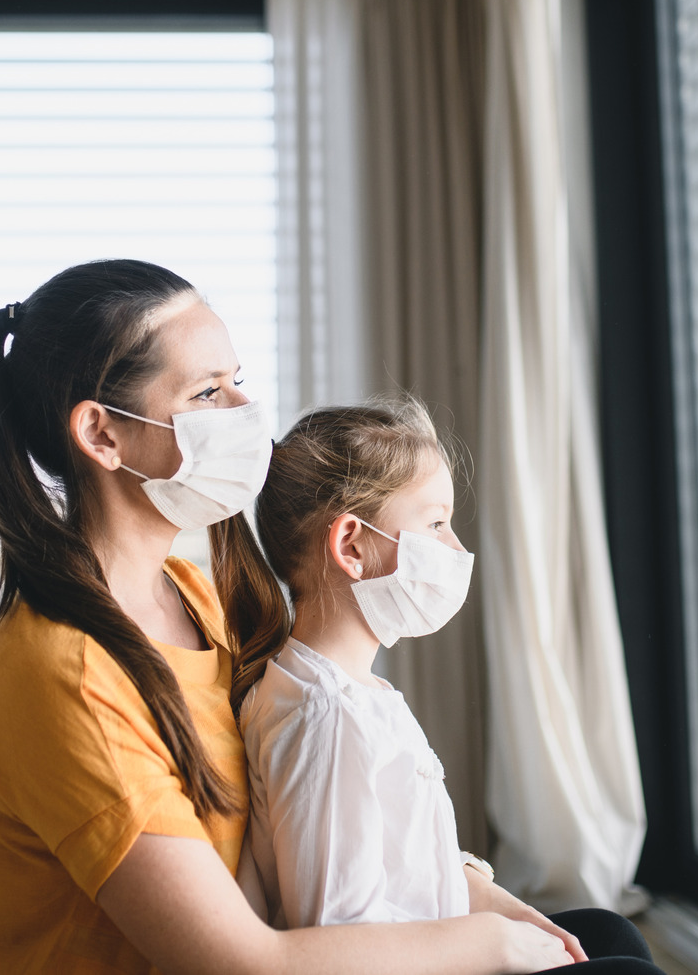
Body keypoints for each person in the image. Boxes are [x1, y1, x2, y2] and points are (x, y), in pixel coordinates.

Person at [0, 259, 575, 974]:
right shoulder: (66, 674)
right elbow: (245, 961)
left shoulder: (197, 598)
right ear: (103, 434)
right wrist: (487, 943)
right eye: (209, 391)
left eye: (237, 379)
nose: (247, 412)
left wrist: (479, 900)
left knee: (596, 939)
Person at [227, 398, 665, 973]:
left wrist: (490, 901)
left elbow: (407, 859)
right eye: (436, 523)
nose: (457, 550)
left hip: (439, 942)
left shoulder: (354, 694)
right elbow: (337, 938)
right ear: (352, 546)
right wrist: (490, 942)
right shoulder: (326, 717)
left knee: (608, 933)